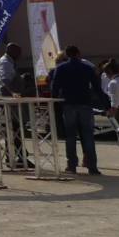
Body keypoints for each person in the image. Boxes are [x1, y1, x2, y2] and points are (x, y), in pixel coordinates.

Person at [49, 45, 103, 175]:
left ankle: (72, 165)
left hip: (68, 104)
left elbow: (55, 87)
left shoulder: (60, 68)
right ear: (79, 53)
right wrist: (103, 103)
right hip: (85, 103)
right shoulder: (87, 68)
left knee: (71, 136)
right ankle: (92, 166)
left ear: (66, 55)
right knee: (88, 135)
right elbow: (97, 87)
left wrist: (54, 101)